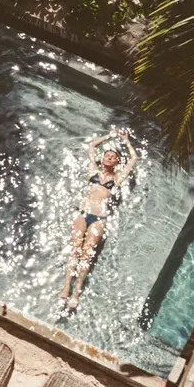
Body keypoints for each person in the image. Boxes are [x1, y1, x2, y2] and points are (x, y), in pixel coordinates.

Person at [59, 128, 137, 310]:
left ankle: (77, 291)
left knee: (87, 254)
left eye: (113, 156)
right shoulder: (92, 170)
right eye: (107, 155)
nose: (109, 157)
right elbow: (92, 145)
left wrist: (125, 140)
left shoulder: (117, 178)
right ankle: (65, 286)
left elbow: (133, 159)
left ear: (117, 162)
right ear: (102, 159)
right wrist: (110, 136)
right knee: (75, 250)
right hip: (83, 213)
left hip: (99, 218)